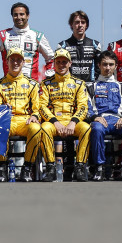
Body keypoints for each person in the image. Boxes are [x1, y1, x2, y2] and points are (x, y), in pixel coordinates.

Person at [0, 48, 49, 182]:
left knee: (36, 129)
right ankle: (2, 166)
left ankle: (27, 167)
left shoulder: (32, 84)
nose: (15, 63)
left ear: (23, 62)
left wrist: (34, 116)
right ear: (7, 62)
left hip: (25, 121)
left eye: (19, 60)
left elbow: (37, 108)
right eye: (12, 59)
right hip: (7, 120)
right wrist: (2, 109)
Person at [87, 50, 122, 181]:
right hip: (100, 121)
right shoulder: (90, 86)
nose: (108, 68)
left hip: (119, 121)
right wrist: (95, 117)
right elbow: (86, 107)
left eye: (111, 64)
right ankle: (99, 168)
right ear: (99, 65)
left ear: (116, 66)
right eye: (104, 64)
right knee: (96, 128)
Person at [39, 49, 90, 182]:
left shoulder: (79, 84)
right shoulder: (46, 84)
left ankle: (80, 167)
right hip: (54, 123)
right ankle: (50, 167)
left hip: (73, 122)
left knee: (86, 128)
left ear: (70, 63)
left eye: (64, 62)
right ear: (54, 64)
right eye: (58, 62)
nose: (61, 65)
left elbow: (83, 107)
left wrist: (73, 122)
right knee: (44, 128)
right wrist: (55, 122)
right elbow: (42, 106)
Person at [0, 2, 54, 81]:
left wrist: (49, 77)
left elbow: (51, 58)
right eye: (15, 15)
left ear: (27, 16)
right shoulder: (3, 35)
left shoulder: (37, 36)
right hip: (8, 85)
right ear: (12, 16)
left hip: (31, 85)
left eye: (22, 14)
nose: (18, 17)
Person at [58, 10, 102, 83]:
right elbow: (57, 67)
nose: (80, 25)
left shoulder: (95, 44)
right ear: (71, 24)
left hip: (90, 85)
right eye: (77, 22)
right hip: (70, 85)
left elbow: (100, 68)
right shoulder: (63, 45)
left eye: (83, 22)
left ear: (86, 25)